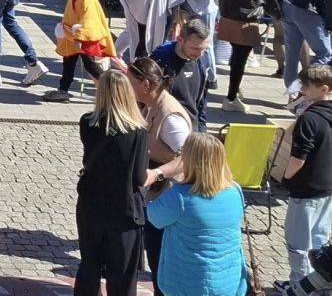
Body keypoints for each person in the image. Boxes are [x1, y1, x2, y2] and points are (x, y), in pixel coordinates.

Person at [73, 69, 149, 296]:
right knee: (123, 273)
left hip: (91, 205)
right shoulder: (138, 131)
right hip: (123, 209)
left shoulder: (87, 122)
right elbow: (138, 177)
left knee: (89, 264)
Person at [147, 133, 248, 296]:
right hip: (229, 280)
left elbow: (153, 217)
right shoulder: (235, 190)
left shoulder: (180, 197)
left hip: (188, 283)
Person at [126, 56, 192, 296]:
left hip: (168, 199)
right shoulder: (151, 104)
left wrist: (156, 172)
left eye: (130, 81)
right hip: (154, 199)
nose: (126, 86)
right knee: (156, 261)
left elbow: (188, 157)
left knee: (161, 262)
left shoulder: (170, 115)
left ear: (145, 85)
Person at [282, 65, 332, 294]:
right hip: (328, 187)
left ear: (323, 89)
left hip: (306, 188)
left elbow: (298, 157)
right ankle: (319, 283)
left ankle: (300, 286)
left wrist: (286, 176)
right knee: (319, 240)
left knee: (298, 244)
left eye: (306, 86)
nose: (301, 89)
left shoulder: (309, 118)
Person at [43, 0, 115, 102]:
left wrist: (79, 38)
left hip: (79, 38)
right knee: (68, 62)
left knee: (90, 65)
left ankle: (111, 92)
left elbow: (88, 20)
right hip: (72, 35)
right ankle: (63, 90)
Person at [150, 18, 213, 132]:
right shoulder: (161, 60)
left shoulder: (203, 59)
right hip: (166, 127)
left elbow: (202, 100)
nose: (200, 54)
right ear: (180, 39)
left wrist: (202, 130)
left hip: (191, 127)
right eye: (195, 48)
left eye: (204, 49)